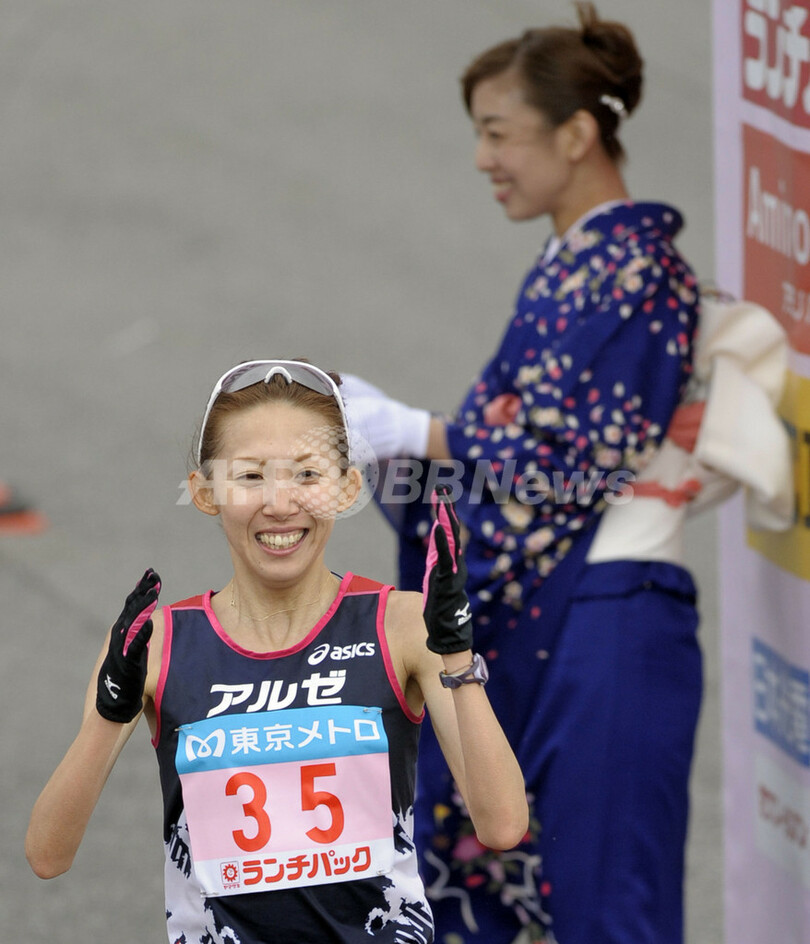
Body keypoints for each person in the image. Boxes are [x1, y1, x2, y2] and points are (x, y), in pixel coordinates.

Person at [340, 5, 710, 943]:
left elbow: (578, 464)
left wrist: (424, 434)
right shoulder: (575, 265)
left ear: (576, 134)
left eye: (499, 133)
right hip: (563, 606)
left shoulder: (638, 271)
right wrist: (406, 453)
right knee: (520, 886)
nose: (483, 158)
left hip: (607, 606)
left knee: (601, 902)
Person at [25, 358, 529, 944]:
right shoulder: (155, 644)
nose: (280, 503)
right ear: (205, 492)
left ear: (347, 488)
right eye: (251, 476)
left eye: (307, 474)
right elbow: (47, 855)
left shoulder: (402, 625)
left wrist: (458, 661)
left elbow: (502, 825)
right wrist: (107, 716)